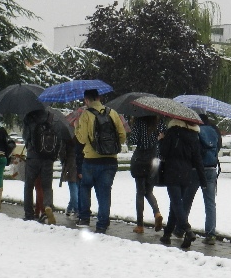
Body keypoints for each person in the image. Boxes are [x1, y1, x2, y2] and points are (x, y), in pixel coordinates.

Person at [75, 89, 126, 234]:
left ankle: (84, 218)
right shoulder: (113, 113)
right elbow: (122, 137)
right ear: (99, 97)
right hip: (110, 160)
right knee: (104, 191)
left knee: (85, 186)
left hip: (91, 160)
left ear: (86, 100)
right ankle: (102, 223)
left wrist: (77, 128)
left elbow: (82, 139)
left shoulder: (86, 115)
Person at [158, 117, 207, 249]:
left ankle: (188, 230)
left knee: (176, 203)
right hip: (186, 174)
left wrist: (162, 140)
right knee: (175, 204)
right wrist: (203, 180)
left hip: (172, 172)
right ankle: (167, 234)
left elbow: (163, 152)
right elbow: (197, 159)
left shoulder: (172, 132)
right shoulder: (193, 136)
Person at [183, 113, 222, 245]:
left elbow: (191, 150)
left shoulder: (195, 131)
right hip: (211, 169)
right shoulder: (214, 130)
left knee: (187, 200)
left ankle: (181, 228)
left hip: (195, 169)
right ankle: (211, 234)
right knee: (210, 203)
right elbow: (218, 147)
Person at [22, 109, 61, 224]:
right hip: (48, 157)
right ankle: (47, 207)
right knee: (47, 186)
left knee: (29, 185)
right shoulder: (52, 116)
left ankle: (29, 213)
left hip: (33, 156)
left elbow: (25, 137)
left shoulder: (29, 117)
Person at [129, 116, 166, 234]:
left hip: (140, 159)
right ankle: (157, 213)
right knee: (149, 191)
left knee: (140, 192)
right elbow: (164, 137)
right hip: (154, 159)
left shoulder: (139, 121)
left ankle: (140, 225)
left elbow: (133, 140)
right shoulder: (159, 122)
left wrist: (133, 125)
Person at [60, 136, 79, 217]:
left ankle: (72, 208)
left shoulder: (68, 138)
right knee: (76, 189)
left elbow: (62, 153)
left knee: (74, 189)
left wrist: (64, 160)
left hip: (70, 165)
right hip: (80, 164)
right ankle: (75, 209)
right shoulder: (82, 136)